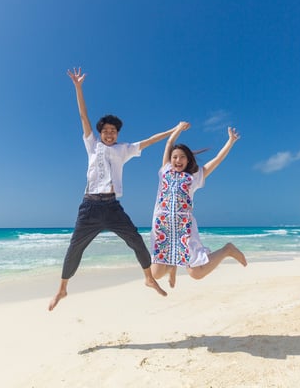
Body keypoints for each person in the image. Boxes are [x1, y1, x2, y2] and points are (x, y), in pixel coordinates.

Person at [48, 67, 179, 311]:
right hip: (89, 207)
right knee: (75, 248)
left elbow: (150, 140)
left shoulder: (124, 149)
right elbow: (84, 117)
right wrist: (78, 87)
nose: (109, 134)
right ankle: (62, 289)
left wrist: (173, 131)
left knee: (136, 240)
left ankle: (149, 278)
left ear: (117, 134)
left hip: (112, 207)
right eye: (105, 131)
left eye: (113, 131)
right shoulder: (92, 145)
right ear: (100, 133)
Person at [150, 121, 247, 288]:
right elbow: (169, 143)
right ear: (170, 160)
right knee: (156, 273)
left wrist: (230, 141)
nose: (178, 160)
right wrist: (178, 129)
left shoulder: (194, 177)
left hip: (184, 229)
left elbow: (217, 160)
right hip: (163, 227)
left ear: (188, 160)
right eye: (175, 157)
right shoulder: (165, 170)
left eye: (182, 157)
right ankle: (172, 266)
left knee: (197, 273)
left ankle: (227, 249)